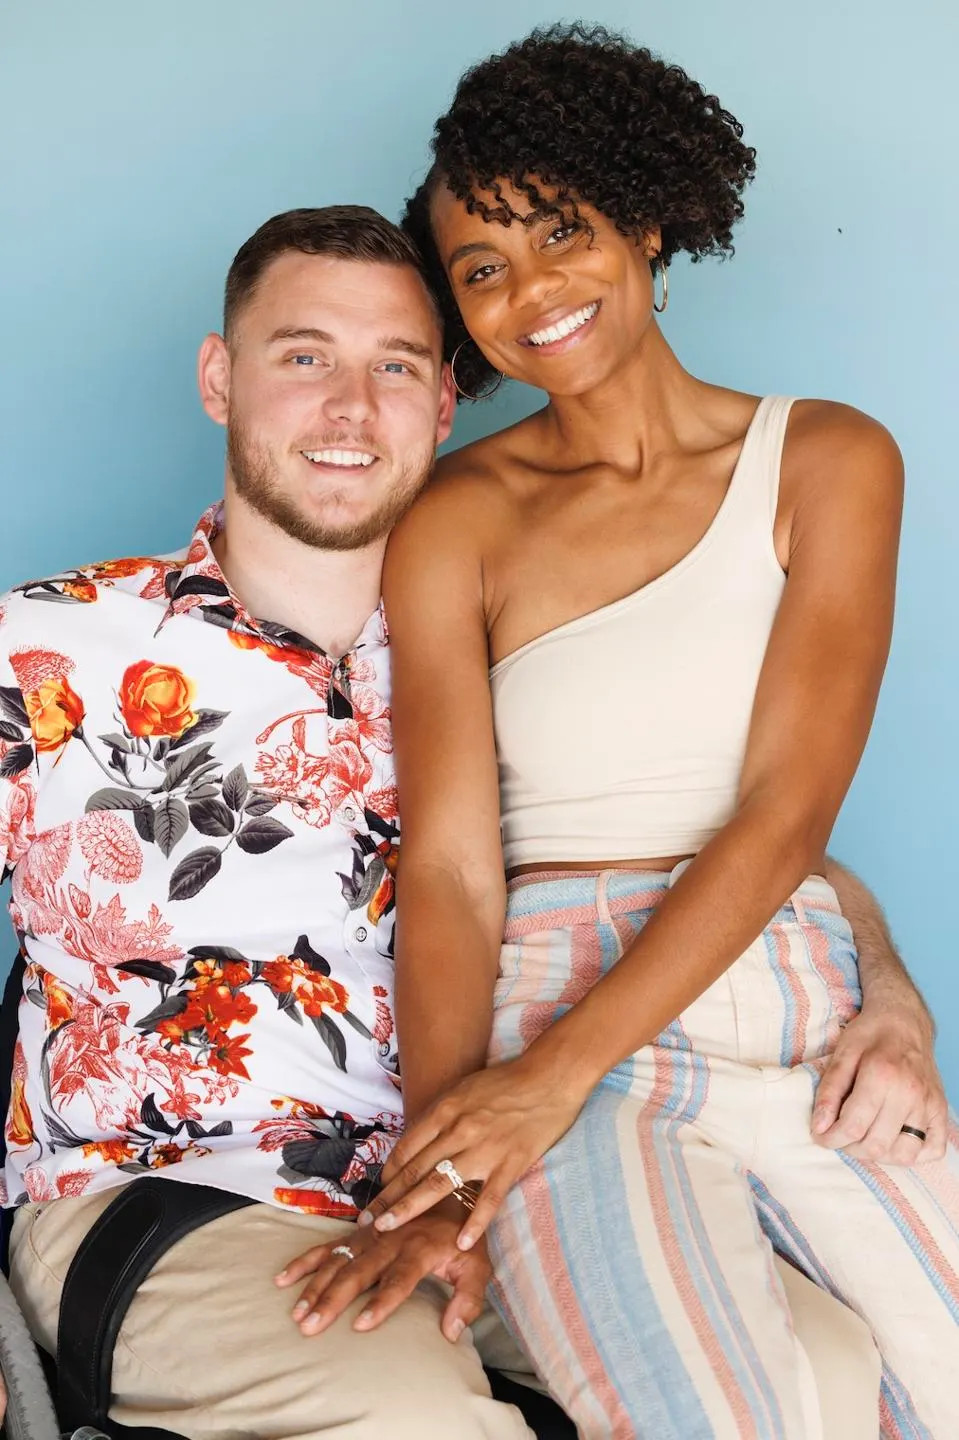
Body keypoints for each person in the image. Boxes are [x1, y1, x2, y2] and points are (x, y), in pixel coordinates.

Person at [0, 203, 937, 1440]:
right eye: (302, 357)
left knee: (821, 1371)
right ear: (220, 379)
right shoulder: (48, 648)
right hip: (166, 1194)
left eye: (392, 366)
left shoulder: (507, 650)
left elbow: (748, 840)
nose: (349, 406)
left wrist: (887, 991)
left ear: (445, 404)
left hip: (497, 1181)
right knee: (418, 1415)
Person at [323, 25, 959, 1440]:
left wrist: (888, 993)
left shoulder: (829, 459)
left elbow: (785, 816)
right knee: (704, 1416)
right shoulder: (455, 522)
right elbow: (445, 872)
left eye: (560, 231)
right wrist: (457, 1156)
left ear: (648, 220)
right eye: (480, 270)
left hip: (788, 995)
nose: (529, 290)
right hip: (552, 1000)